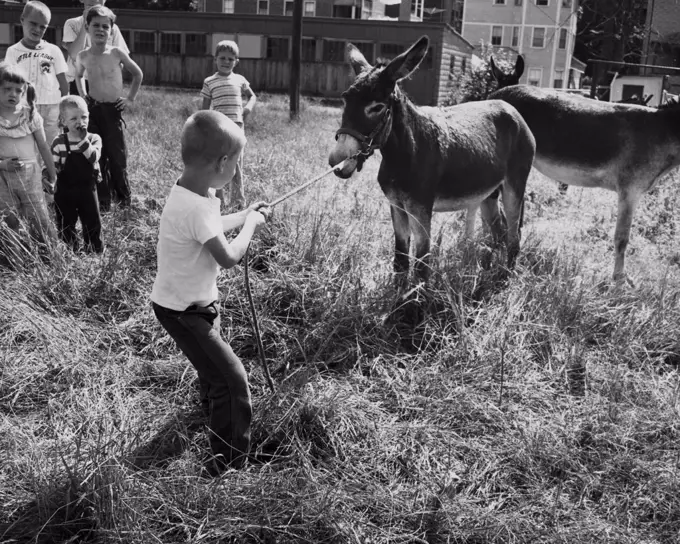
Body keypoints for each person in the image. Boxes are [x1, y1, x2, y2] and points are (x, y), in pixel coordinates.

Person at [150, 110, 270, 474]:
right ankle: (228, 464)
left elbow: (210, 225)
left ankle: (213, 419)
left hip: (188, 305)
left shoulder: (188, 191)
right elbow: (230, 255)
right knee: (232, 380)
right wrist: (251, 224)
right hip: (185, 312)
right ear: (222, 163)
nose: (235, 169)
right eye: (236, 162)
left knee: (211, 369)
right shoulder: (197, 207)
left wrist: (243, 213)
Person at [75, 4, 142, 212]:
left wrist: (129, 98)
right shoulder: (83, 56)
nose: (101, 30)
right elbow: (77, 75)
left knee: (117, 157)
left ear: (111, 30)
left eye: (105, 26)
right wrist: (82, 94)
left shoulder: (116, 53)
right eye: (96, 25)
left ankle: (123, 199)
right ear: (87, 27)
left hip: (113, 111)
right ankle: (103, 201)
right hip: (93, 111)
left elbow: (137, 74)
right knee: (98, 156)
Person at [4, 1, 68, 199]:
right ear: (22, 21)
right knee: (31, 151)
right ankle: (28, 192)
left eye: (43, 26)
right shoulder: (13, 52)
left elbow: (63, 83)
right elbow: (8, 82)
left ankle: (51, 193)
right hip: (26, 109)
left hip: (51, 108)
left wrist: (64, 109)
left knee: (50, 149)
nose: (37, 29)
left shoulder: (54, 51)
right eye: (33, 23)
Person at [0, 62, 56, 244]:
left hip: (30, 174)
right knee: (9, 217)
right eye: (7, 89)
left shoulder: (29, 114)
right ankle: (13, 260)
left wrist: (53, 174)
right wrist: (3, 164)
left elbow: (43, 145)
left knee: (38, 214)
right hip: (3, 176)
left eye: (18, 90)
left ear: (24, 92)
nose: (13, 94)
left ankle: (47, 254)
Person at [201, 40, 256, 211]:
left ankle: (238, 201)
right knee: (218, 163)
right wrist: (205, 126)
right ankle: (218, 199)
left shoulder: (240, 80)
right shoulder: (210, 81)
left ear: (236, 62)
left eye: (230, 59)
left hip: (237, 128)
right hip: (219, 128)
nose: (226, 62)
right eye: (222, 58)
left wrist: (248, 108)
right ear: (215, 59)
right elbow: (204, 108)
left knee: (236, 165)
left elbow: (252, 96)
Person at [51, 95, 103, 253]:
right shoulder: (59, 142)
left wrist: (83, 140)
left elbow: (93, 157)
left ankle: (93, 250)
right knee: (65, 220)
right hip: (65, 189)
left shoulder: (94, 139)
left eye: (84, 117)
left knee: (92, 220)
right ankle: (69, 249)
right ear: (63, 121)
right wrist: (48, 177)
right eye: (73, 119)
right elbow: (54, 166)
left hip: (87, 188)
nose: (80, 122)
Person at [62, 0, 129, 96]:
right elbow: (75, 55)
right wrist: (86, 23)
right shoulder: (72, 24)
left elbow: (121, 61)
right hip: (78, 83)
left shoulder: (112, 28)